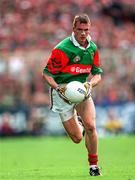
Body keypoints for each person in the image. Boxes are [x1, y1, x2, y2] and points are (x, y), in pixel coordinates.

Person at [42, 13, 103, 176]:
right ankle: (77, 121)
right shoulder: (62, 49)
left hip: (82, 89)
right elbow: (46, 74)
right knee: (77, 139)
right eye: (80, 29)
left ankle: (94, 166)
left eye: (87, 29)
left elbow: (97, 74)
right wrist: (57, 88)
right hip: (62, 91)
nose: (83, 33)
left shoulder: (93, 48)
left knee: (91, 125)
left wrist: (90, 83)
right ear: (73, 29)